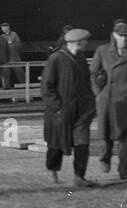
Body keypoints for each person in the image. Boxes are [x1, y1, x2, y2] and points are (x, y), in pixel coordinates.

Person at [90, 20, 127, 180]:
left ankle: (123, 170)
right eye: (121, 36)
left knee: (126, 137)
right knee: (106, 134)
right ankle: (105, 158)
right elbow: (93, 74)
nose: (124, 40)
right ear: (114, 36)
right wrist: (98, 94)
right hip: (107, 100)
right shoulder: (102, 51)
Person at [41, 27, 96, 187]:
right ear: (77, 42)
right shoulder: (56, 59)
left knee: (82, 143)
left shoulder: (81, 58)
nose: (87, 43)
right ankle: (53, 172)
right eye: (85, 41)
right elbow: (46, 86)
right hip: (60, 113)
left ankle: (79, 177)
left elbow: (85, 82)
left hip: (81, 111)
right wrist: (57, 108)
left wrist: (90, 104)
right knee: (56, 145)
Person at [1, 21, 22, 89]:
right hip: (6, 58)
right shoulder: (2, 36)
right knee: (5, 73)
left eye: (3, 27)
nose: (2, 29)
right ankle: (6, 87)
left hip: (15, 57)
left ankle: (25, 85)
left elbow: (19, 45)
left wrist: (10, 44)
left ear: (7, 27)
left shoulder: (14, 34)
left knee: (20, 72)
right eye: (2, 28)